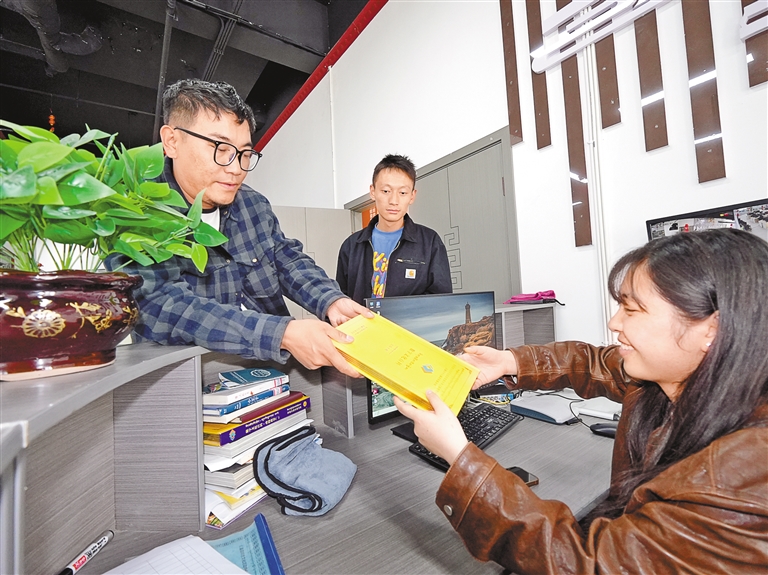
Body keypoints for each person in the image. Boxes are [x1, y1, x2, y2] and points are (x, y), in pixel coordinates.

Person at [395, 229, 768, 574]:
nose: (614, 322)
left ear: (711, 330)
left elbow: (586, 564)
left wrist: (460, 457)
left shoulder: (737, 480)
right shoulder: (690, 381)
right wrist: (509, 361)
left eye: (631, 310)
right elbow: (591, 363)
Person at [107, 79, 370, 376]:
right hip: (186, 383)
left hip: (270, 373)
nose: (235, 168)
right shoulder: (138, 212)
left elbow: (286, 259)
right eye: (220, 148)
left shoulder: (252, 205)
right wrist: (281, 334)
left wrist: (331, 300)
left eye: (244, 153)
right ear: (172, 141)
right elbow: (162, 306)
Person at [336, 154, 452, 305]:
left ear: (412, 196)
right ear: (373, 192)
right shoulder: (351, 246)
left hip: (409, 322)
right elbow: (341, 300)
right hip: (363, 321)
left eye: (402, 193)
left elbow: (442, 301)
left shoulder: (429, 242)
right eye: (386, 191)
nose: (393, 201)